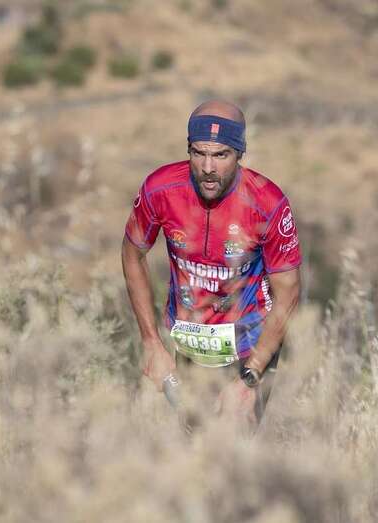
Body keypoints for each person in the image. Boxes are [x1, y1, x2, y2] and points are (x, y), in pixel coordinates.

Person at [121, 100, 301, 430]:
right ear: (188, 150)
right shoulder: (161, 189)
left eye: (221, 155)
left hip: (249, 345)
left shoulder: (267, 203)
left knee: (233, 449)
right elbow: (133, 254)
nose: (207, 167)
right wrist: (151, 342)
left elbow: (288, 293)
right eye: (198, 153)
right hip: (189, 343)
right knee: (193, 445)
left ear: (239, 153)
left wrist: (251, 376)